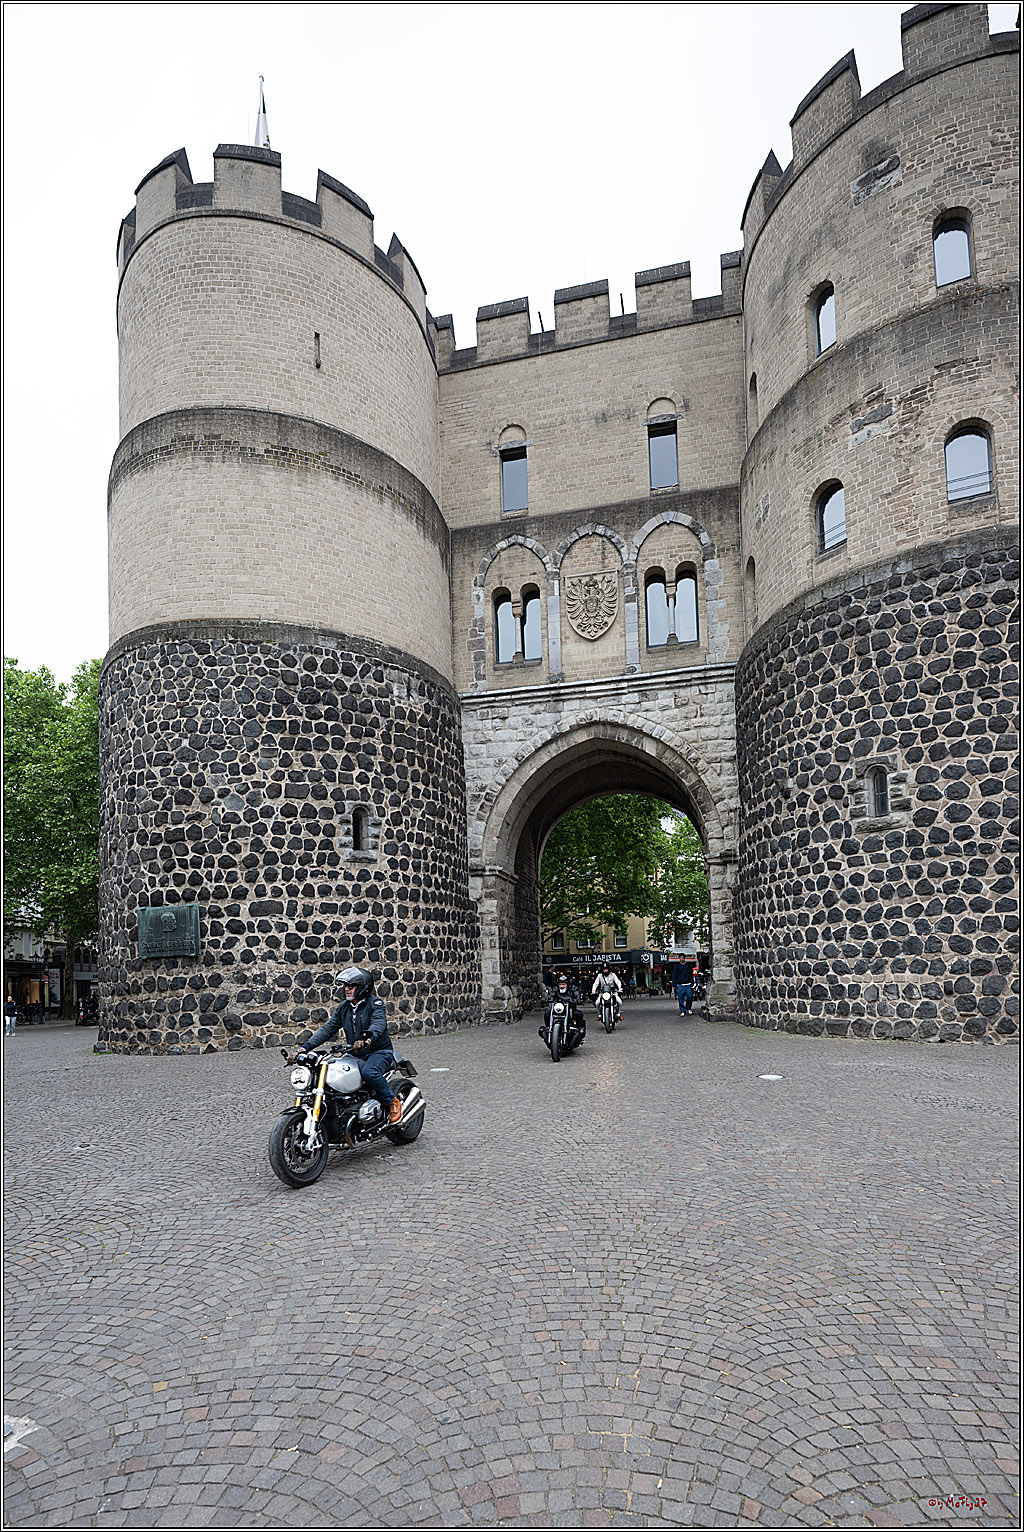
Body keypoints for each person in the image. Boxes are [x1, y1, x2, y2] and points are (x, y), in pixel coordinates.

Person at [291, 967, 402, 1125]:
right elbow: (327, 1029)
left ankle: (392, 1102)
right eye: (345, 986)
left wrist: (367, 1038)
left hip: (379, 1051)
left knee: (369, 1072)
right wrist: (303, 1049)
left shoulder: (375, 1004)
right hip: (355, 1053)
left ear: (363, 987)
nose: (347, 989)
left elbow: (379, 1023)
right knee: (333, 1073)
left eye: (351, 986)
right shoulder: (344, 1007)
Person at [540, 972, 586, 1038]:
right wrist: (545, 999)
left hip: (570, 1008)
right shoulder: (556, 989)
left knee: (578, 1014)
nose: (561, 986)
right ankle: (548, 1029)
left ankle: (579, 1031)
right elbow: (551, 995)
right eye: (560, 984)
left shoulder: (573, 988)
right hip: (558, 1009)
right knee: (547, 1013)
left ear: (567, 984)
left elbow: (577, 996)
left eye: (563, 984)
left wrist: (576, 1000)